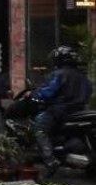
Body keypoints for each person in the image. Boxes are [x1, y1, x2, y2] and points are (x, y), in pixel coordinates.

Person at [32, 46, 93, 177]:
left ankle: (50, 160)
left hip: (59, 111)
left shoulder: (59, 74)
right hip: (79, 112)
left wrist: (35, 94)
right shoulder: (83, 77)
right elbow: (89, 92)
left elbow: (48, 92)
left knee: (39, 129)